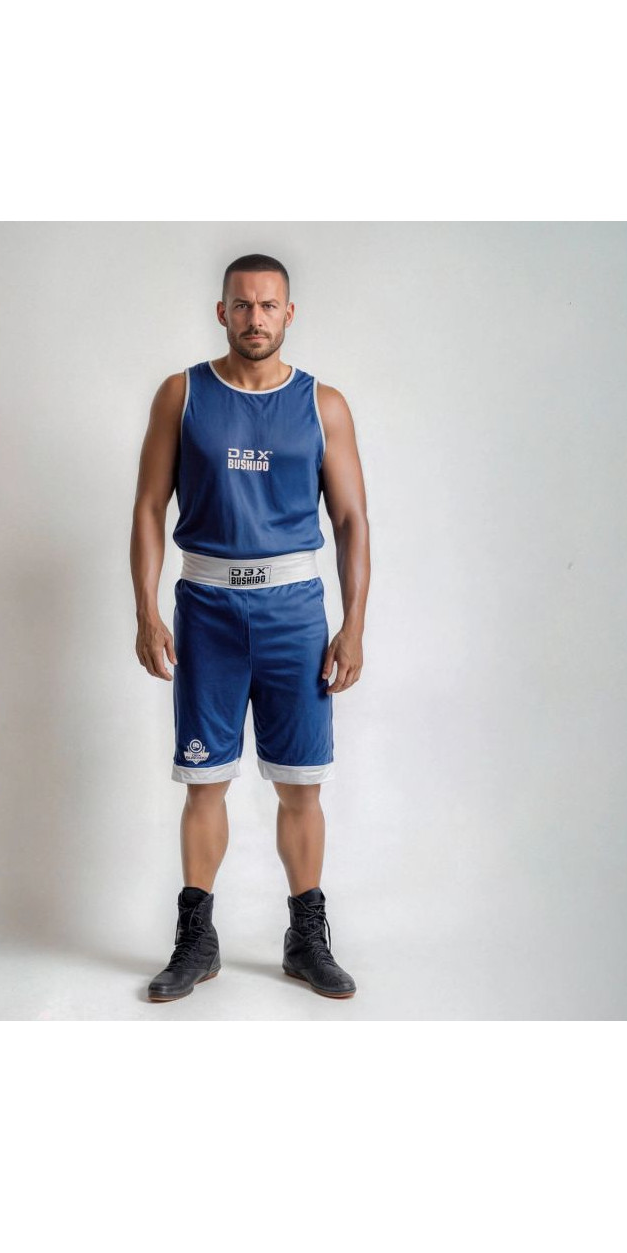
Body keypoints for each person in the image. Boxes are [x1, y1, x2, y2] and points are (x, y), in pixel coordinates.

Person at [130, 253, 370, 1003]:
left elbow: (352, 520)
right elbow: (148, 507)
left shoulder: (323, 405)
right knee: (205, 783)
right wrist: (145, 610)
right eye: (242, 305)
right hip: (206, 608)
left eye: (268, 306)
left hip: (294, 611)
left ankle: (307, 939)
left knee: (301, 785)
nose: (255, 318)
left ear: (288, 313)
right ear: (222, 311)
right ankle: (196, 941)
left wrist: (354, 624)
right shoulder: (182, 395)